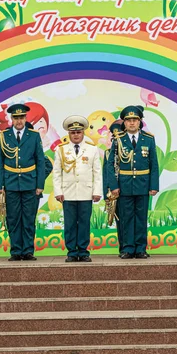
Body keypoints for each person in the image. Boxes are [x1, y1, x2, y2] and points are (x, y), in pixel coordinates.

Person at [0, 104, 46, 261]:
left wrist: (40, 185)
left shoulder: (34, 135)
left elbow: (40, 161)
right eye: (16, 118)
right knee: (13, 218)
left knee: (29, 218)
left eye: (21, 117)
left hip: (29, 183)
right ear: (11, 119)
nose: (19, 121)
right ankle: (16, 251)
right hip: (10, 183)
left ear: (26, 118)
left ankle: (28, 250)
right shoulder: (4, 136)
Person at [108, 105, 159, 259]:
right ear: (124, 122)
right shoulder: (118, 139)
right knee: (126, 217)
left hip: (143, 184)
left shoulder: (148, 139)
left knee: (141, 217)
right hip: (124, 184)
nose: (131, 123)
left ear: (140, 121)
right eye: (128, 120)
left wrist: (153, 185)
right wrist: (114, 186)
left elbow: (153, 164)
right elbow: (111, 164)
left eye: (134, 120)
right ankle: (128, 248)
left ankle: (141, 248)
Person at [53, 115, 102, 262]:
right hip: (68, 193)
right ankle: (72, 252)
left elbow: (97, 173)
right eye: (73, 132)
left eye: (78, 132)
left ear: (83, 133)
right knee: (70, 223)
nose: (76, 135)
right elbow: (56, 172)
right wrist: (58, 191)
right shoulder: (61, 150)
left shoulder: (92, 150)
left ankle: (83, 251)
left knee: (84, 223)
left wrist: (97, 191)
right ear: (68, 134)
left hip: (86, 192)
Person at [103, 121, 124, 253]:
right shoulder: (107, 153)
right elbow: (106, 174)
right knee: (119, 219)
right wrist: (106, 192)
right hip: (114, 192)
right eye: (113, 138)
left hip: (128, 188)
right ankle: (123, 246)